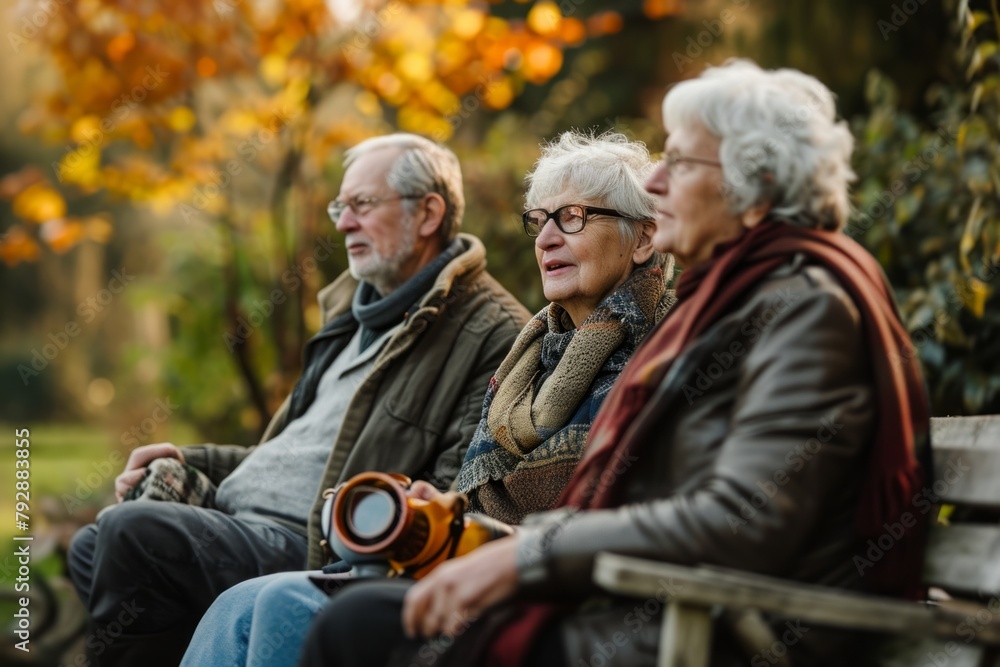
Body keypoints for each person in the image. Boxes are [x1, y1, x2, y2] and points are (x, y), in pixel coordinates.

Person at [298, 60, 931, 667]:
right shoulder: (731, 305)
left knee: (357, 626)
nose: (654, 184)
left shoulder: (802, 310)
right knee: (363, 608)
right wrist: (498, 543)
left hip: (724, 633)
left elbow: (739, 517)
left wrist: (527, 557)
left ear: (753, 189)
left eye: (679, 163)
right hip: (663, 609)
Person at [180, 130, 676, 667]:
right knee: (239, 603)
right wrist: (438, 507)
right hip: (471, 560)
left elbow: (626, 515)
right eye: (539, 220)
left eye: (573, 217)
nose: (547, 238)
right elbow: (471, 497)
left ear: (644, 239)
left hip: (557, 591)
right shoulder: (531, 356)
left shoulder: (660, 350)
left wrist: (478, 538)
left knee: (283, 601)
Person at [65, 133, 531, 666]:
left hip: (316, 543)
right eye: (340, 205)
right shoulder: (350, 319)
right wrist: (188, 460)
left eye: (362, 204)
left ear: (428, 213)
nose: (342, 222)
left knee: (131, 535)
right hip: (240, 520)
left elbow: (454, 490)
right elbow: (289, 452)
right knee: (93, 545)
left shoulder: (493, 333)